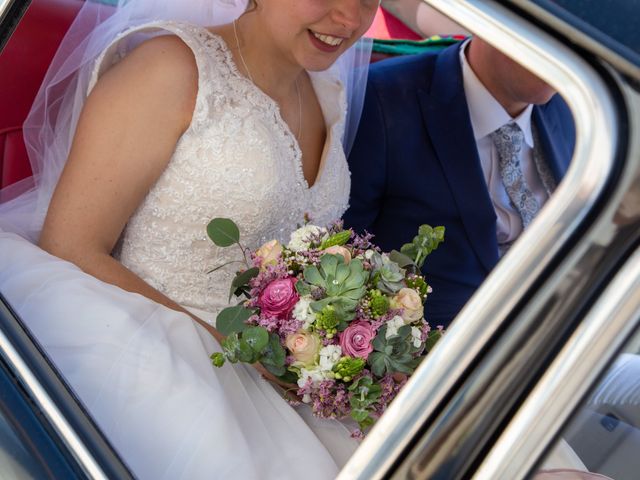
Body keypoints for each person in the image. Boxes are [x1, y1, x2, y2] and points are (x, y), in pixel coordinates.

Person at [0, 0, 378, 478]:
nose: (349, 18)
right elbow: (70, 244)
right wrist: (236, 351)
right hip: (144, 345)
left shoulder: (328, 93)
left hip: (270, 366)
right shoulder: (169, 69)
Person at [343, 35, 575, 328]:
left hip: (563, 329)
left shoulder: (575, 106)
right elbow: (344, 248)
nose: (559, 51)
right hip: (445, 351)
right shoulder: (381, 97)